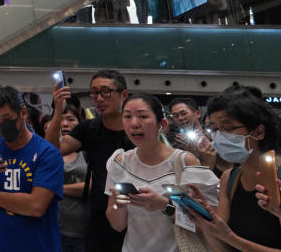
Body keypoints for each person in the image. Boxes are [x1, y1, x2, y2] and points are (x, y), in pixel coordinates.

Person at [104, 93, 219, 252]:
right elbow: (117, 225)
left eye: (143, 116)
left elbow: (210, 222)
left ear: (162, 124)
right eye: (127, 116)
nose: (134, 123)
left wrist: (165, 205)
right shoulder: (119, 162)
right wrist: (118, 205)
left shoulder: (184, 162)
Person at [46, 69, 132, 252]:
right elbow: (52, 150)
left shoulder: (137, 131)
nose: (99, 98)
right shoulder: (89, 128)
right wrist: (58, 111)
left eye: (105, 91)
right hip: (97, 222)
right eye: (94, 93)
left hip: (135, 218)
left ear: (124, 94)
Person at [0, 86, 62, 252]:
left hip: (37, 246)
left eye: (7, 118)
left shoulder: (47, 153)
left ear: (23, 112)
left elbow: (36, 206)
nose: (2, 125)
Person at [187, 89, 281, 250]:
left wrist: (230, 237)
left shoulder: (277, 177)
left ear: (259, 132)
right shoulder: (230, 178)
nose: (219, 137)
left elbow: (229, 239)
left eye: (228, 128)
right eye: (214, 129)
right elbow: (222, 248)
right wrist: (207, 221)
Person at [52, 105, 87, 252]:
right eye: (61, 119)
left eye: (71, 119)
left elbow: (91, 186)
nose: (65, 123)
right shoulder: (51, 151)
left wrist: (57, 188)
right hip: (55, 228)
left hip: (83, 229)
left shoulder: (87, 151)